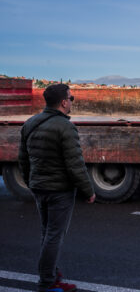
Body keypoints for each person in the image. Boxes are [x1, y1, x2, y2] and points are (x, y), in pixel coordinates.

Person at [19, 84, 96, 292]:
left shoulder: (30, 123)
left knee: (47, 233)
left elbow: (23, 160)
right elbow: (75, 164)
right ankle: (47, 282)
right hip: (59, 191)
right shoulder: (65, 127)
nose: (72, 102)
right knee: (54, 236)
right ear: (63, 102)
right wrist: (88, 191)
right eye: (72, 98)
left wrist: (31, 182)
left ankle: (51, 275)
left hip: (39, 188)